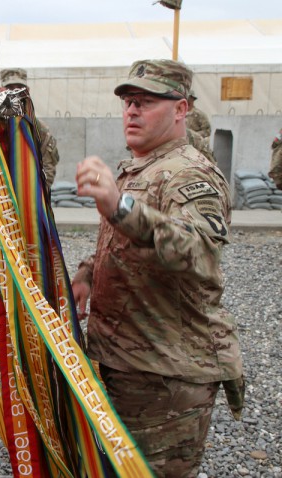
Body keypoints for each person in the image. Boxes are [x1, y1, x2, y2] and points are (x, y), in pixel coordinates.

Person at [72, 59, 244, 478]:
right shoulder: (140, 167)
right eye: (129, 102)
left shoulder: (189, 173)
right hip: (128, 365)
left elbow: (199, 251)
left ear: (180, 109)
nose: (132, 111)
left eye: (146, 102)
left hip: (164, 378)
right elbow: (128, 246)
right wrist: (88, 274)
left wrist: (121, 206)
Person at [0, 68, 60, 293]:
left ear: (28, 93)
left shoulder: (39, 130)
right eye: (10, 89)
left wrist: (22, 187)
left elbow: (48, 172)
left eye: (20, 89)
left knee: (31, 282)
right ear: (0, 91)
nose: (15, 94)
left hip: (27, 222)